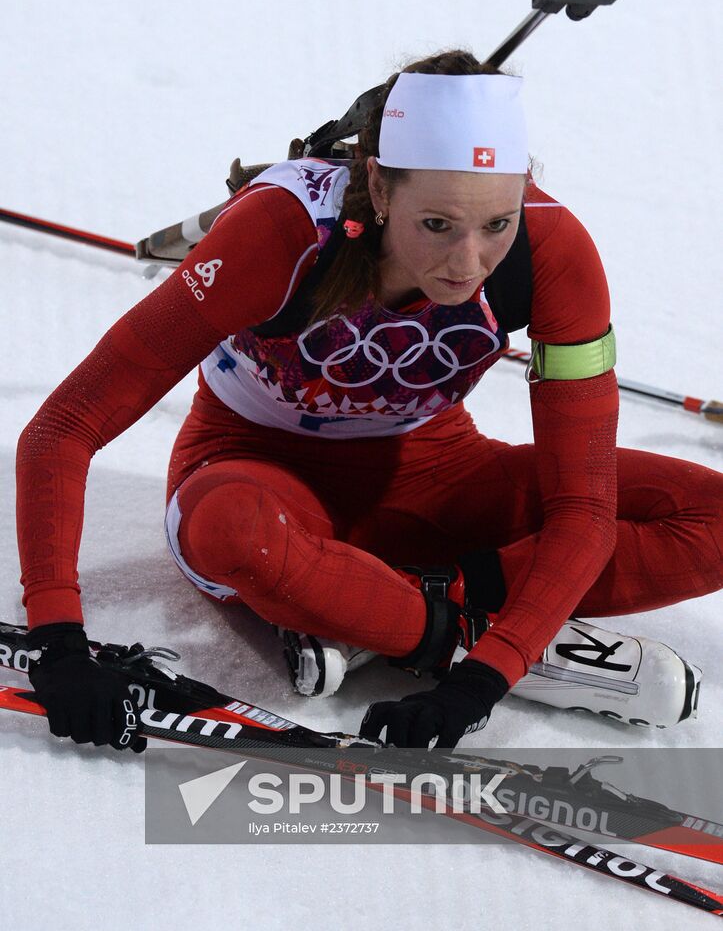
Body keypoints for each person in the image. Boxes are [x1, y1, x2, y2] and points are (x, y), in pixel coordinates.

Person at [16, 50, 723, 752]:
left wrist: (478, 684)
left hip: (436, 470)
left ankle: (374, 614)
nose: (467, 263)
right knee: (232, 531)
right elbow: (66, 428)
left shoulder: (555, 253)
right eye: (437, 225)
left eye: (496, 226)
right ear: (379, 189)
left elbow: (583, 507)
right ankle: (467, 631)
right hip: (258, 473)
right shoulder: (278, 233)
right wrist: (58, 641)